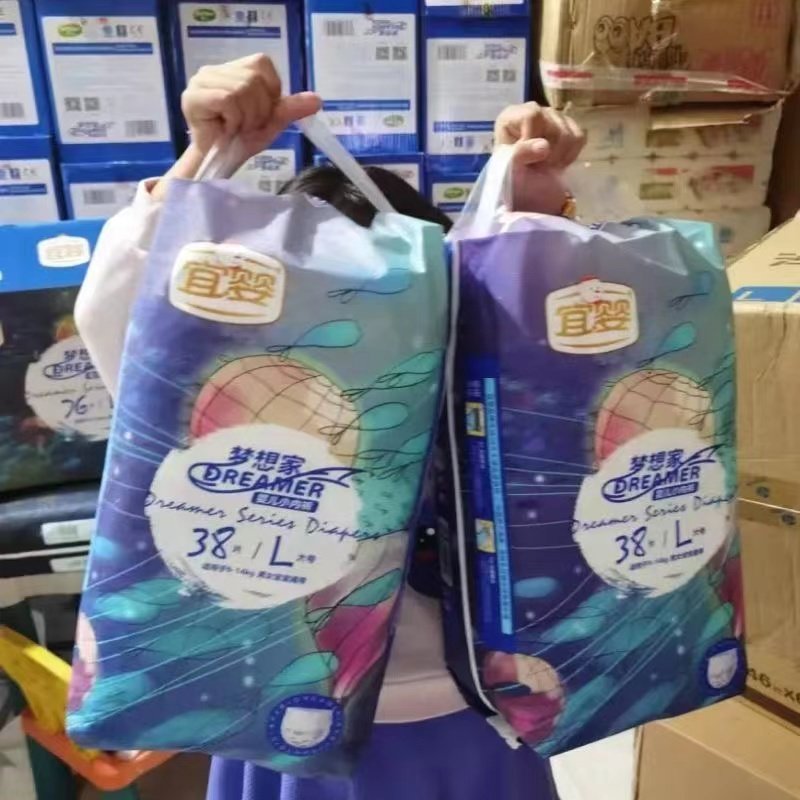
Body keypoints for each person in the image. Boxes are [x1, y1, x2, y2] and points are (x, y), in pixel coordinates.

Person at [75, 53, 585, 800]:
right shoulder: (234, 394)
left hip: (474, 712)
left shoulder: (475, 380)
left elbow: (566, 346)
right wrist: (206, 160)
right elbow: (121, 314)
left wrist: (536, 210)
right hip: (284, 712)